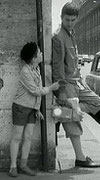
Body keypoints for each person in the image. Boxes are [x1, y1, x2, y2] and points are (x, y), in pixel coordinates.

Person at [52, 2, 100, 168]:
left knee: (98, 102)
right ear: (61, 17)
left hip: (77, 83)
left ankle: (64, 113)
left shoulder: (71, 34)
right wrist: (61, 93)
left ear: (77, 19)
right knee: (74, 124)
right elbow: (58, 67)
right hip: (66, 85)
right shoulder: (58, 37)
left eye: (73, 20)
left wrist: (76, 107)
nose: (70, 22)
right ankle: (80, 158)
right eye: (67, 19)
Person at [9, 42, 60, 177]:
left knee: (28, 137)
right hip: (20, 107)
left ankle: (23, 165)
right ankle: (12, 166)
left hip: (31, 109)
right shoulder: (25, 71)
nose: (42, 54)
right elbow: (35, 91)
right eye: (39, 52)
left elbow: (35, 93)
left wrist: (37, 109)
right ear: (33, 58)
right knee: (16, 137)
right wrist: (51, 88)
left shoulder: (37, 69)